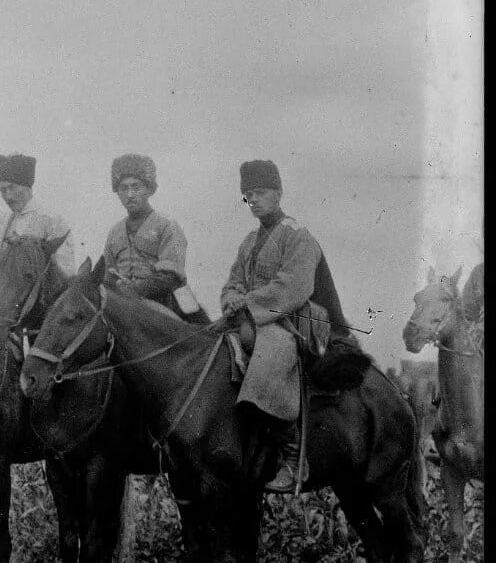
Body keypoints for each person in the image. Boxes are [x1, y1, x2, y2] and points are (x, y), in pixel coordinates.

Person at [220, 159, 355, 493]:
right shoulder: (249, 242)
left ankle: (294, 459)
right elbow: (232, 283)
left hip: (300, 321)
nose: (254, 200)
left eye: (261, 192)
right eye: (248, 195)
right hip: (259, 318)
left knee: (271, 350)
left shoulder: (298, 236)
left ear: (278, 193)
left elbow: (291, 287)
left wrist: (248, 303)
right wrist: (233, 298)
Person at [0, 153, 74, 302]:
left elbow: (67, 273)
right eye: (3, 190)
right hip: (3, 306)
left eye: (12, 188)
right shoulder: (3, 222)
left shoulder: (52, 221)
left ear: (27, 186)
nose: (8, 196)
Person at [100, 154, 195, 317]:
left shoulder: (167, 226)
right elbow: (107, 277)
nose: (130, 194)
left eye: (136, 187)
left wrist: (133, 289)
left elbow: (170, 278)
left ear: (149, 189)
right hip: (122, 308)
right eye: (124, 188)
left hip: (162, 306)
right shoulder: (114, 233)